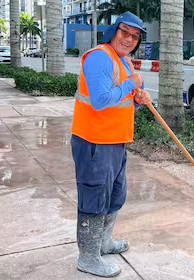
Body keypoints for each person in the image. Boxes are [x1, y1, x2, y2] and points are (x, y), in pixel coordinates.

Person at [70, 11, 152, 278]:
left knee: (115, 195)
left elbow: (121, 97)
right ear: (113, 31)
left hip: (116, 141)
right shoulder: (98, 57)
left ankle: (103, 243)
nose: (129, 39)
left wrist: (137, 96)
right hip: (94, 141)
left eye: (135, 36)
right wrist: (131, 83)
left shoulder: (123, 61)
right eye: (124, 32)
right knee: (94, 197)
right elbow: (100, 100)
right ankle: (88, 257)